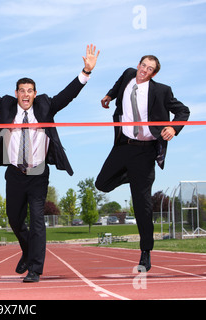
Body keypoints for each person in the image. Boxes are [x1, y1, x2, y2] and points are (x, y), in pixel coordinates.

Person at [0, 40, 99, 282]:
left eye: (30, 90)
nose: (26, 94)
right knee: (14, 219)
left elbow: (68, 95)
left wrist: (86, 72)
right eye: (22, 90)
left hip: (38, 173)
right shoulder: (5, 106)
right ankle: (27, 250)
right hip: (14, 173)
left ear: (35, 94)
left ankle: (35, 269)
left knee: (37, 220)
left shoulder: (45, 105)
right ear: (16, 93)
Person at [95, 55, 190, 272]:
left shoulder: (162, 91)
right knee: (102, 183)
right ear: (138, 65)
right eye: (143, 65)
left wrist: (174, 128)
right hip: (123, 145)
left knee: (142, 206)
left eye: (149, 69)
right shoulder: (129, 74)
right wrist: (109, 96)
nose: (144, 70)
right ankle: (131, 176)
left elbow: (183, 111)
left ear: (154, 74)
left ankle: (145, 252)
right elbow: (119, 85)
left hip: (146, 151)